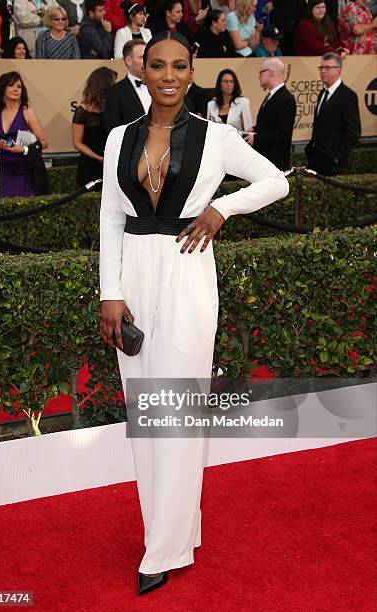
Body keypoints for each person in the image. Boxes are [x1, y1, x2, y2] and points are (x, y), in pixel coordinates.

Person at [98, 30, 289, 596]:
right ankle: (173, 525)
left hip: (187, 273)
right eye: (157, 65)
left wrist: (222, 208)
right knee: (146, 413)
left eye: (179, 66)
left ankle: (164, 547)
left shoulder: (218, 137)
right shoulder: (117, 139)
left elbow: (275, 180)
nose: (169, 76)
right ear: (141, 69)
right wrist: (111, 292)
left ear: (192, 69)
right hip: (133, 272)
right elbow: (111, 216)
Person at [0, 71, 48, 197]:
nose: (16, 89)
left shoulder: (27, 112)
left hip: (26, 171)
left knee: (26, 210)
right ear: (3, 88)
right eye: (11, 85)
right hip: (5, 172)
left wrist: (23, 149)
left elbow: (44, 142)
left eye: (19, 86)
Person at [305, 52, 361, 175]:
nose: (323, 71)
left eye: (328, 67)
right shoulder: (322, 94)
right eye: (321, 67)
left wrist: (338, 157)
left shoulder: (347, 96)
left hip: (333, 164)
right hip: (315, 159)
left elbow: (353, 132)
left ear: (339, 71)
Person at [245, 58, 296, 171]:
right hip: (266, 161)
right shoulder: (272, 96)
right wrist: (254, 129)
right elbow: (269, 125)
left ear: (271, 72)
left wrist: (257, 138)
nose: (259, 76)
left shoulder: (285, 99)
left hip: (275, 163)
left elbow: (283, 133)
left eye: (261, 72)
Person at [72, 66, 117, 187]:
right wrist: (98, 158)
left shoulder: (112, 109)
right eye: (113, 83)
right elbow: (77, 143)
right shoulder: (82, 111)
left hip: (112, 163)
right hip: (89, 164)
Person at [104, 39, 150, 133]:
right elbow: (112, 129)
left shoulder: (159, 87)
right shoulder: (115, 92)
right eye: (141, 57)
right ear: (128, 61)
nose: (147, 61)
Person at [207, 68, 253, 134]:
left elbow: (248, 130)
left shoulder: (243, 102)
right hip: (216, 142)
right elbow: (208, 129)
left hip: (236, 141)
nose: (229, 84)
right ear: (219, 84)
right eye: (225, 81)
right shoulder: (211, 104)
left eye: (231, 81)